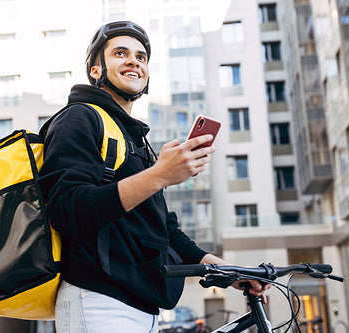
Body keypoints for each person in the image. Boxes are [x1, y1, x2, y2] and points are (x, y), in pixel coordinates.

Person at [39, 21, 269, 333]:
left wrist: (227, 270)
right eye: (120, 53)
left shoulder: (134, 139)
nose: (134, 60)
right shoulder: (80, 117)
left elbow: (165, 231)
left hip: (142, 306)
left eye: (141, 57)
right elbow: (67, 209)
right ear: (96, 70)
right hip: (98, 299)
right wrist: (160, 174)